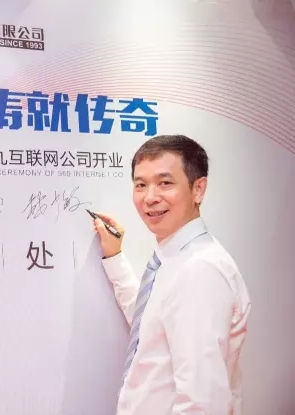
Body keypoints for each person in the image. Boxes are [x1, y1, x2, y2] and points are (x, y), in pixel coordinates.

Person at [92, 135, 251, 414]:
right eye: (141, 185)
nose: (150, 197)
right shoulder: (174, 259)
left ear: (198, 189)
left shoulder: (199, 271)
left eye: (165, 183)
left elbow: (203, 403)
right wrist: (115, 258)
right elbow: (149, 323)